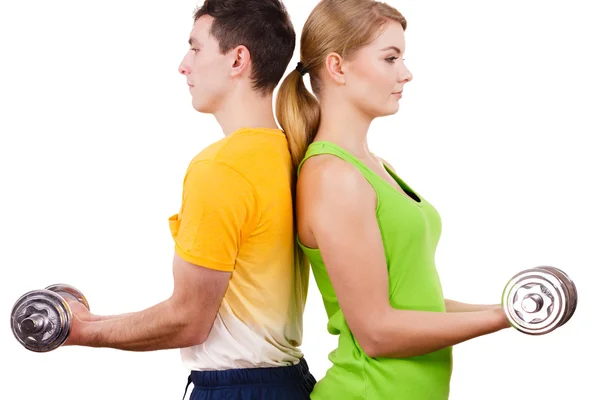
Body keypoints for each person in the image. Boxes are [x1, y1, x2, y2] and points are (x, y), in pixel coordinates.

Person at [62, 1, 316, 399]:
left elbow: (188, 320)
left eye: (196, 48)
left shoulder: (221, 167)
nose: (184, 64)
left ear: (237, 60)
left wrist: (81, 330)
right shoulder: (291, 152)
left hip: (239, 392)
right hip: (290, 383)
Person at [275, 0, 511, 399]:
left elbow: (415, 303)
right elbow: (377, 333)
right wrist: (498, 318)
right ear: (337, 67)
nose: (406, 73)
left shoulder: (372, 167)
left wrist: (506, 311)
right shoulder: (334, 177)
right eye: (390, 58)